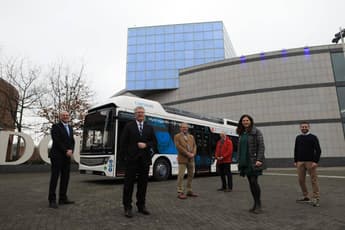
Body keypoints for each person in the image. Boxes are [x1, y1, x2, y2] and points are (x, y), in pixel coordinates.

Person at [120, 106, 157, 218]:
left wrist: (146, 145)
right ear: (134, 114)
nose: (140, 114)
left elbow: (154, 143)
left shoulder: (149, 127)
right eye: (138, 112)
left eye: (142, 112)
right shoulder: (129, 126)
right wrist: (124, 158)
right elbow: (123, 143)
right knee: (128, 184)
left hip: (144, 160)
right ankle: (127, 207)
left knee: (143, 184)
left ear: (144, 114)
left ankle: (141, 206)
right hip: (131, 160)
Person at [236, 114, 266, 214]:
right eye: (243, 121)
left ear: (251, 121)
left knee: (254, 182)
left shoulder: (256, 131)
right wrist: (239, 161)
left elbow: (261, 146)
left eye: (247, 120)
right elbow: (240, 149)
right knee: (251, 183)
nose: (245, 122)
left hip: (254, 161)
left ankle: (258, 204)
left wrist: (259, 159)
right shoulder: (241, 133)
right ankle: (255, 204)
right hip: (245, 161)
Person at [48, 111, 75, 209]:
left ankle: (63, 198)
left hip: (67, 157)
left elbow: (72, 141)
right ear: (60, 117)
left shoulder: (70, 128)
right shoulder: (56, 126)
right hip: (57, 156)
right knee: (55, 178)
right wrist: (65, 151)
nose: (65, 116)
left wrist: (71, 150)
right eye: (64, 115)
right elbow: (57, 140)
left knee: (65, 178)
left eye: (67, 115)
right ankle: (52, 200)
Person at [294, 121, 321, 207]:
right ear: (300, 128)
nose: (304, 128)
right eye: (302, 127)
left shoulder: (313, 137)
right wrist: (295, 161)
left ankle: (316, 198)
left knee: (313, 180)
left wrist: (315, 161)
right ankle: (306, 196)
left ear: (309, 127)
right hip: (300, 162)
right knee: (301, 180)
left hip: (310, 162)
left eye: (306, 127)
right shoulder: (298, 137)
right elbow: (296, 149)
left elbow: (318, 150)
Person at [174, 123, 198, 199]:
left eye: (186, 127)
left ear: (187, 128)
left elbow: (195, 146)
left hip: (191, 159)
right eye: (183, 127)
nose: (185, 128)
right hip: (182, 159)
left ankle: (189, 191)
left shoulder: (191, 137)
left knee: (191, 175)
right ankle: (180, 192)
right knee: (181, 176)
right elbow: (178, 147)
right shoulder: (177, 136)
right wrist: (187, 153)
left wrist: (193, 154)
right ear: (180, 128)